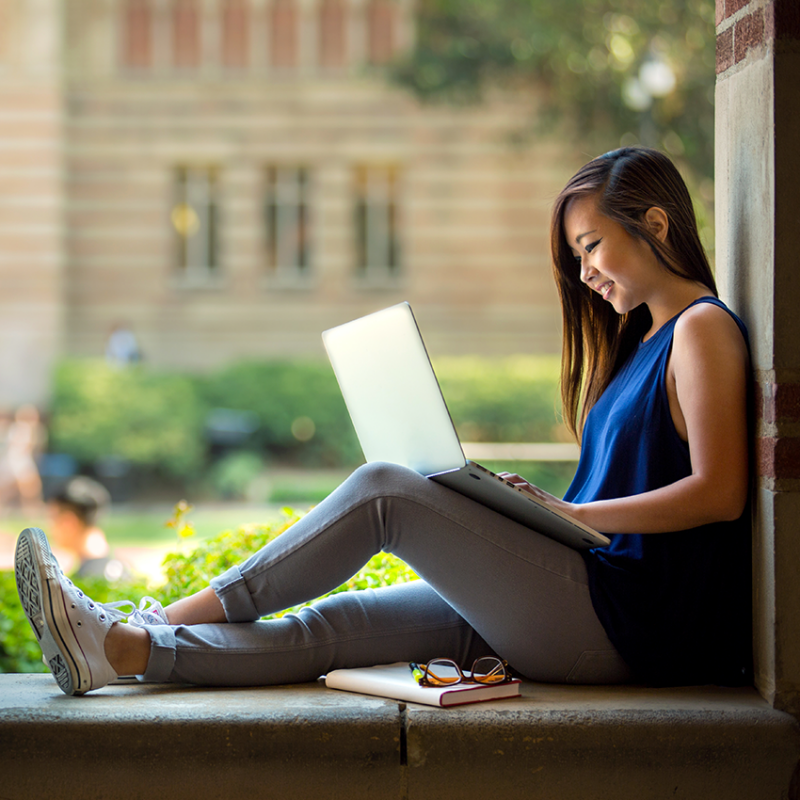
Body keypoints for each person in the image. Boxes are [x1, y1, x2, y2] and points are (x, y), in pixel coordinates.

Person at [14, 146, 752, 696]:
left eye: (591, 246)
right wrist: (527, 512)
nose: (585, 272)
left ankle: (153, 615)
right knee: (339, 629)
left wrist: (573, 511)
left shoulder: (701, 330)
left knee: (386, 493)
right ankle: (122, 651)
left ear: (654, 222)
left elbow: (722, 492)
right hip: (583, 599)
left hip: (627, 626)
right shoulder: (642, 343)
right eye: (577, 255)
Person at [47, 476, 129, 582]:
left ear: (69, 522)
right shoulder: (124, 569)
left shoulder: (82, 585)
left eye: (52, 519)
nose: (50, 527)